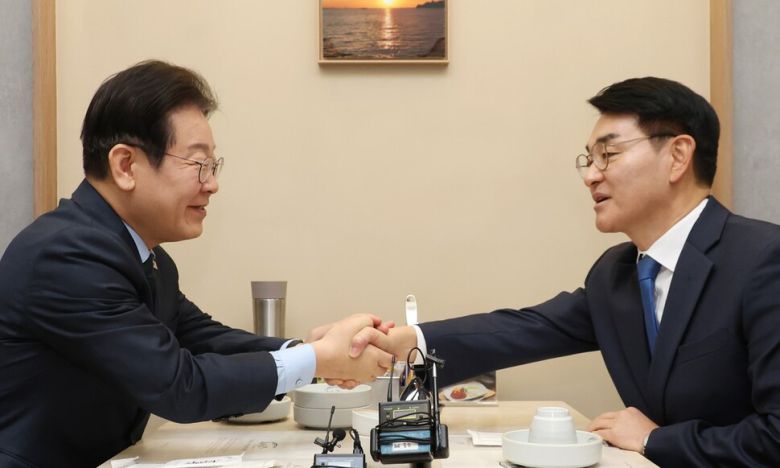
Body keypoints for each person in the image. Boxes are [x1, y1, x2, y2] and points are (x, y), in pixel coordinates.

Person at [352, 77, 780, 466]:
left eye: (608, 155)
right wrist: (406, 342)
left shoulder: (763, 259)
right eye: (588, 159)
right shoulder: (615, 274)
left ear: (678, 156)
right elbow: (525, 329)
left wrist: (655, 440)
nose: (590, 176)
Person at [0, 60, 392, 468]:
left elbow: (202, 338)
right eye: (198, 164)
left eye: (213, 165)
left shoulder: (148, 259)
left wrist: (311, 353)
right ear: (126, 166)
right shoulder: (66, 256)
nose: (212, 184)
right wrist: (318, 359)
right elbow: (179, 384)